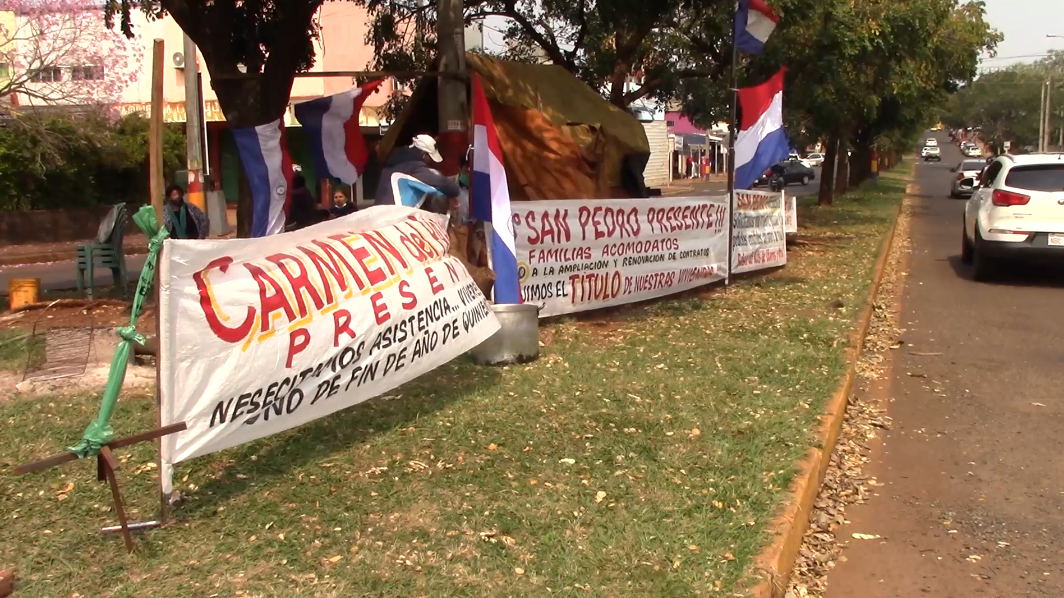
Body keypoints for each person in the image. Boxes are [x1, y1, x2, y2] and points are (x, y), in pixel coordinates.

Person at [374, 134, 461, 206]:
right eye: (429, 157)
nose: (430, 162)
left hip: (380, 212)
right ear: (423, 154)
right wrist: (454, 192)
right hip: (395, 217)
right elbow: (440, 184)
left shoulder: (393, 162)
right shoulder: (415, 167)